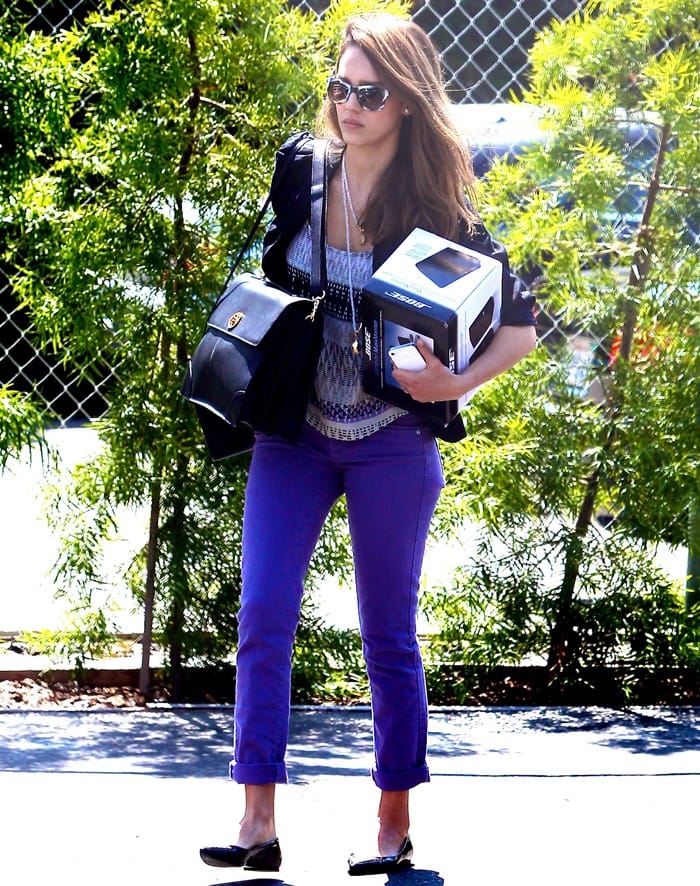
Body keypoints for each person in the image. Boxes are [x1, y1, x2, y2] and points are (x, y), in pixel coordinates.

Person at [200, 11, 536, 877]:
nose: (348, 105)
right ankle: (256, 821)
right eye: (338, 87)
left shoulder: (439, 205)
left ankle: (392, 825)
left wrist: (454, 384)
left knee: (387, 631)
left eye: (369, 92)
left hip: (391, 436)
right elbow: (272, 274)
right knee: (264, 613)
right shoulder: (303, 174)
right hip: (297, 431)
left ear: (408, 102)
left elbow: (523, 327)